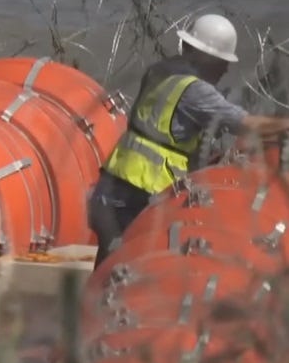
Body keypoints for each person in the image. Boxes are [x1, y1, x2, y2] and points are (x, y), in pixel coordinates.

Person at [89, 14, 289, 267]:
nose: (226, 69)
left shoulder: (160, 71)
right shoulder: (195, 91)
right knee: (131, 272)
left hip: (112, 185)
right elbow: (246, 125)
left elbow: (169, 129)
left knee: (109, 273)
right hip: (138, 193)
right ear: (206, 57)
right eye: (222, 61)